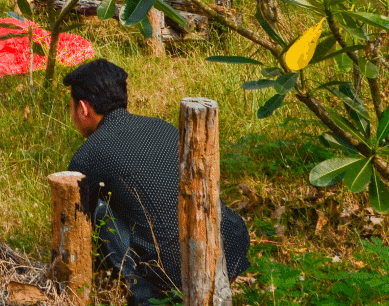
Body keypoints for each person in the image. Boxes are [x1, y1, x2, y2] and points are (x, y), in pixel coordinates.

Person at [63, 59, 250, 305]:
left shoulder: (88, 156)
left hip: (169, 274)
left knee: (98, 210)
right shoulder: (163, 127)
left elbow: (77, 227)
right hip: (227, 249)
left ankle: (142, 296)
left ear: (84, 108)